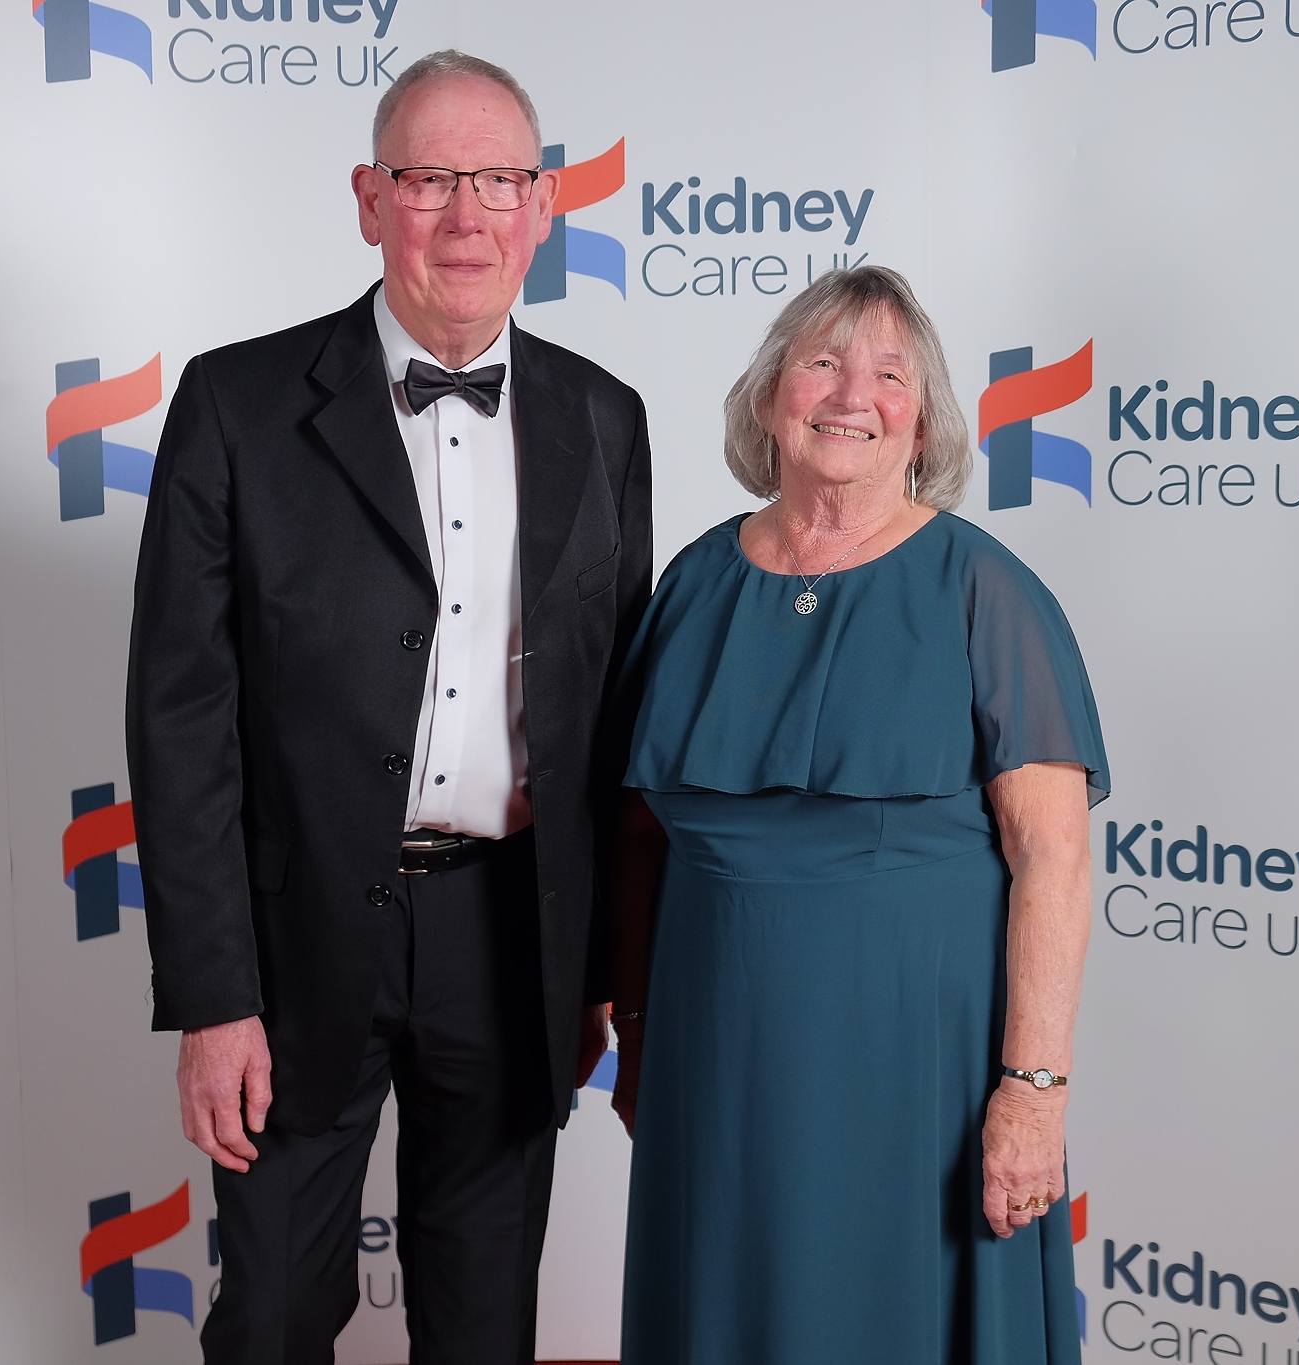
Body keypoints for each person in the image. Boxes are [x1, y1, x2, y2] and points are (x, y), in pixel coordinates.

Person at [125, 49, 652, 1365]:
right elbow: (181, 719)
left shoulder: (607, 420)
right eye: (427, 179)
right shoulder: (236, 406)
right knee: (273, 1322)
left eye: (499, 182)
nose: (466, 216)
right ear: (370, 199)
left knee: (483, 1325)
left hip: (512, 934)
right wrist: (211, 996)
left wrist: (602, 977)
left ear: (543, 207)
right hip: (294, 941)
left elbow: (614, 722)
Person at [607, 266, 1108, 1365]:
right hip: (714, 1065)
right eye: (822, 362)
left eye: (889, 375)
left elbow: (1054, 862)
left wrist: (1032, 1096)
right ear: (770, 397)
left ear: (920, 420)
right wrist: (634, 1035)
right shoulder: (693, 584)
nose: (851, 394)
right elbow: (639, 841)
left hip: (913, 1077)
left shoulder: (985, 591)